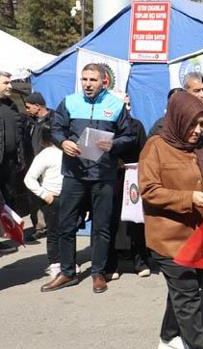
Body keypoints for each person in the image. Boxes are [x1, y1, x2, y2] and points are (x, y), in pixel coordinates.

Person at [139, 91, 203, 349]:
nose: (198, 131)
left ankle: (167, 337)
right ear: (178, 119)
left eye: (202, 124)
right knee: (188, 293)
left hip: (201, 234)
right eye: (192, 124)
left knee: (183, 290)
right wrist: (188, 197)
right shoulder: (156, 147)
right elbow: (149, 190)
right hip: (168, 237)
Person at [42, 64, 135, 294]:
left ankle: (98, 273)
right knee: (65, 225)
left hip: (103, 174)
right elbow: (55, 127)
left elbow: (130, 134)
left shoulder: (115, 105)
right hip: (74, 174)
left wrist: (114, 144)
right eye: (84, 79)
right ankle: (67, 272)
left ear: (103, 81)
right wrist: (63, 142)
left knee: (102, 227)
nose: (87, 84)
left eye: (92, 79)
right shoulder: (70, 101)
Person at [108, 93, 150, 279]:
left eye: (128, 104)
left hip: (133, 178)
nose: (126, 108)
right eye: (121, 104)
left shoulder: (137, 125)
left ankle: (140, 261)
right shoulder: (106, 125)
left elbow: (144, 151)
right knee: (112, 221)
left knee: (136, 221)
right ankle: (112, 265)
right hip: (112, 179)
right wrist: (113, 161)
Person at [23, 123, 63, 276]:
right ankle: (55, 263)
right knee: (54, 232)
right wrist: (44, 195)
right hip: (52, 199)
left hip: (69, 197)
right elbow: (29, 179)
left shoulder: (68, 151)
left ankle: (68, 261)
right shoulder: (45, 155)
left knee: (68, 232)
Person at [0, 71, 23, 215]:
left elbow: (18, 134)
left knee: (9, 197)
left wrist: (20, 158)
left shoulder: (12, 106)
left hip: (10, 163)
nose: (10, 86)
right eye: (6, 83)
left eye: (10, 82)